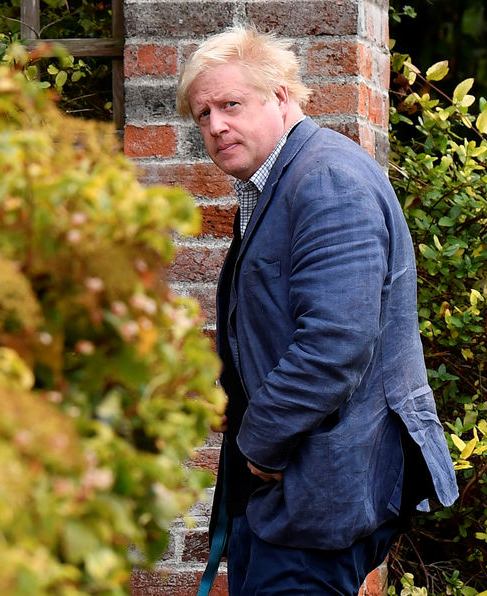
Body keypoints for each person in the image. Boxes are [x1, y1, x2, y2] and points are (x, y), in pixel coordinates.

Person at [176, 26, 458, 596]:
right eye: (203, 113)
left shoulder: (327, 180)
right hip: (290, 489)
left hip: (320, 487)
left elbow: (335, 344)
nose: (215, 125)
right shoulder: (275, 182)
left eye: (231, 104)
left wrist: (259, 442)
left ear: (281, 96)